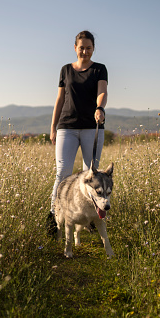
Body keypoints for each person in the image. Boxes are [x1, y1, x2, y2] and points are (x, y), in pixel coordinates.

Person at [47, 30, 108, 235]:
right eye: (81, 48)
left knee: (90, 174)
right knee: (63, 173)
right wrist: (53, 127)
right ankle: (53, 215)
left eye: (89, 48)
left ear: (93, 49)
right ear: (75, 48)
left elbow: (102, 92)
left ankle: (88, 216)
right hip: (67, 127)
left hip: (92, 127)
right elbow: (60, 100)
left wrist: (100, 108)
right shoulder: (65, 70)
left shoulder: (100, 69)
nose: (85, 51)